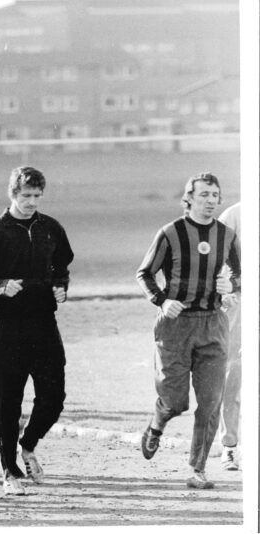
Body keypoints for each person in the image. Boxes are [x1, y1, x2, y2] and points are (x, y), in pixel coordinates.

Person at [0, 166, 74, 496]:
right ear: (12, 194)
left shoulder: (51, 228)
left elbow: (62, 266)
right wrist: (0, 286)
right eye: (25, 195)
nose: (31, 202)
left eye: (37, 196)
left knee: (54, 398)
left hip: (43, 323)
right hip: (8, 327)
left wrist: (60, 287)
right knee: (6, 405)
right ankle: (8, 470)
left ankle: (28, 445)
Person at [136, 172, 240, 490]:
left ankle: (197, 469)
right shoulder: (170, 233)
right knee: (174, 401)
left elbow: (239, 274)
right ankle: (157, 423)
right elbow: (145, 273)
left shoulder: (226, 235)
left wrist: (231, 285)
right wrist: (162, 301)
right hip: (176, 325)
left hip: (213, 322)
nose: (210, 201)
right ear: (189, 198)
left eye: (214, 195)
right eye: (204, 195)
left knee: (210, 401)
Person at [217, 201, 241, 471]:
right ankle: (230, 446)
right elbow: (217, 260)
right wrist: (227, 290)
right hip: (241, 303)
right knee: (234, 374)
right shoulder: (234, 215)